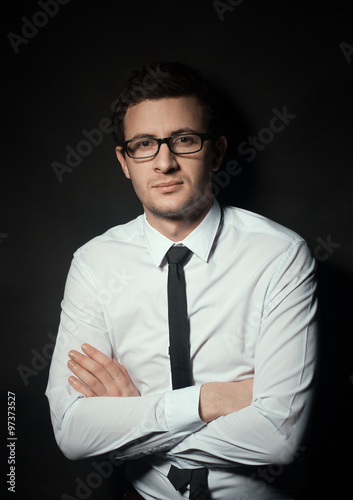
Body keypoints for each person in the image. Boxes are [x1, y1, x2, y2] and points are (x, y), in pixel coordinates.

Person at [45, 62, 318, 500]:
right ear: (124, 161)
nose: (165, 162)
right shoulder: (95, 263)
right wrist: (213, 400)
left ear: (218, 150)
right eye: (144, 145)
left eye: (184, 140)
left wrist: (134, 424)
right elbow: (74, 432)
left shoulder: (280, 256)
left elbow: (279, 437)